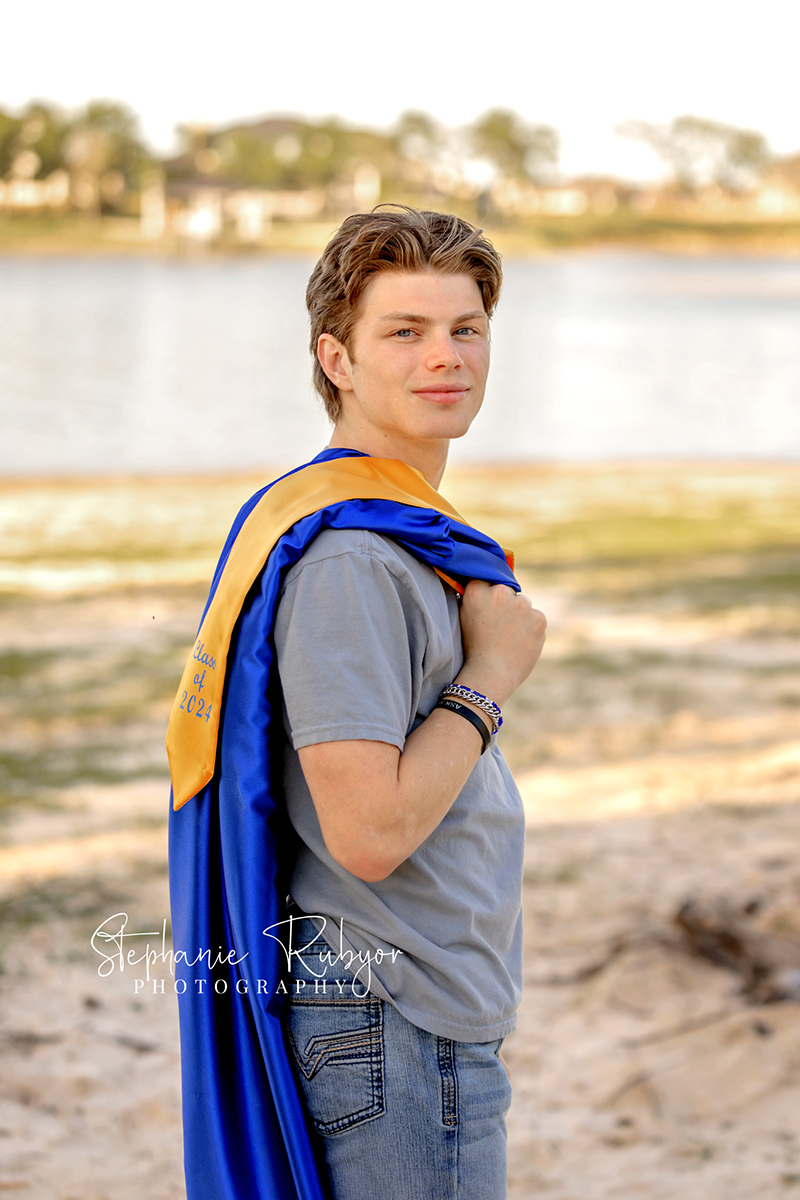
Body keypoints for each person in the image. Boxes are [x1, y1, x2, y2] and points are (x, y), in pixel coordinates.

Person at [167, 207, 546, 1200]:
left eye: (465, 330)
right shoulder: (350, 559)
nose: (445, 358)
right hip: (393, 1016)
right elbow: (369, 832)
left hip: (408, 1007)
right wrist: (489, 678)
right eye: (404, 332)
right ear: (336, 358)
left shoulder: (404, 532)